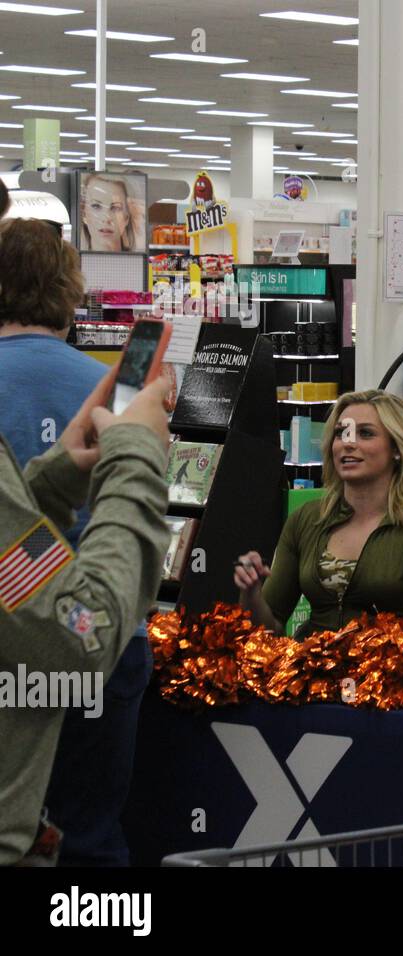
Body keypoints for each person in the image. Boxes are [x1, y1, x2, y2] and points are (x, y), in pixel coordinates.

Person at [0, 218, 153, 867]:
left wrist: (53, 478)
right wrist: (135, 456)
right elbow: (78, 636)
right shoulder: (98, 384)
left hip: (19, 652)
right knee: (88, 836)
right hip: (89, 630)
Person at [234, 390, 403, 636]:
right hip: (310, 668)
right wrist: (251, 594)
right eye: (341, 433)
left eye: (365, 433)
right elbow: (267, 631)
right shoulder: (306, 519)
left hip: (389, 671)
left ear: (397, 448)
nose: (348, 443)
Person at [78, 173, 144, 253]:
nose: (106, 218)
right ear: (84, 215)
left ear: (126, 217)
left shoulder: (137, 263)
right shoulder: (74, 263)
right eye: (96, 206)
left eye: (115, 208)